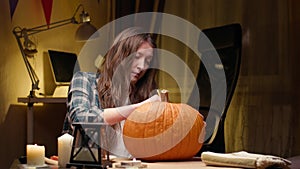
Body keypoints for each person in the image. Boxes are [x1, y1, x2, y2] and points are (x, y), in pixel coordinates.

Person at [62, 27, 161, 158]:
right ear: (121, 55)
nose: (142, 66)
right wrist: (140, 107)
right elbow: (80, 118)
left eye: (148, 61)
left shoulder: (142, 95)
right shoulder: (85, 81)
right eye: (137, 57)